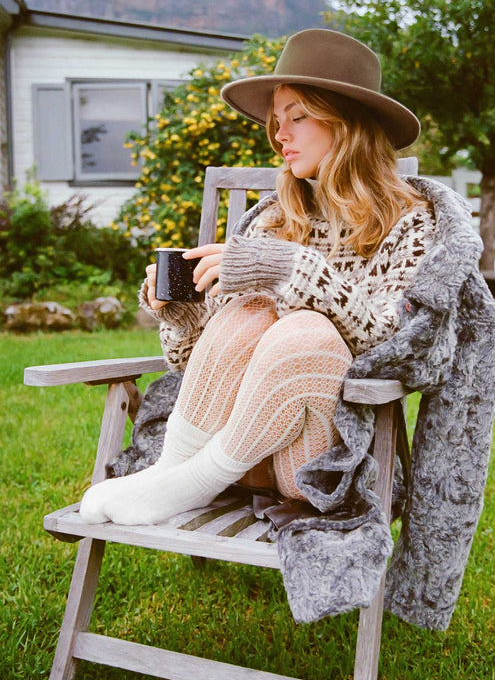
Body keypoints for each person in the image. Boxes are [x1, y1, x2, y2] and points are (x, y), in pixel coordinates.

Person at [79, 28, 436, 526]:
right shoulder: (275, 216)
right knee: (252, 308)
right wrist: (183, 313)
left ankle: (189, 483)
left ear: (348, 124)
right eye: (276, 120)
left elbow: (398, 344)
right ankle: (173, 473)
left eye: (298, 116)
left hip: (318, 460)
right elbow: (195, 361)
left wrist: (288, 269)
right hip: (239, 446)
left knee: (302, 326)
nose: (279, 135)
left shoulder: (410, 222)